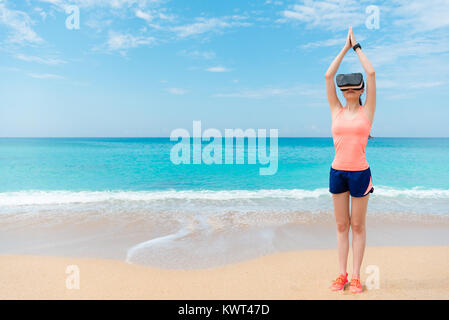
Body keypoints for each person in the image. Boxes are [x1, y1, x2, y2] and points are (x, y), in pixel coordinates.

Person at [324, 26, 376, 294]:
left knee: (357, 225)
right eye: (346, 89)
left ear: (361, 90)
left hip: (360, 174)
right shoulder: (336, 110)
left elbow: (371, 72)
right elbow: (328, 75)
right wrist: (343, 48)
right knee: (342, 225)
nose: (349, 92)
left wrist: (357, 48)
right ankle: (341, 274)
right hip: (337, 172)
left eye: (354, 88)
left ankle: (356, 276)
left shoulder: (368, 111)